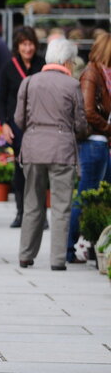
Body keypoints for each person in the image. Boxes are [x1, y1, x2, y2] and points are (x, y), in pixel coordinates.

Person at [14, 38, 88, 271]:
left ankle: (26, 255)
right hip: (61, 150)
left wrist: (34, 130)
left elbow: (18, 118)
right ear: (67, 61)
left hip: (33, 148)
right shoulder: (71, 85)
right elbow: (80, 122)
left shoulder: (29, 82)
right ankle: (57, 259)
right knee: (60, 206)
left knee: (32, 204)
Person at [69, 33, 111, 261]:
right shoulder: (92, 74)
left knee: (98, 197)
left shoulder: (103, 74)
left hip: (101, 142)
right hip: (93, 142)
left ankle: (93, 245)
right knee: (86, 195)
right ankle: (68, 246)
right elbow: (87, 111)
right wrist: (107, 127)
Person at [0, 27, 44, 228]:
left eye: (30, 43)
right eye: (24, 44)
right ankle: (21, 213)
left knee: (40, 170)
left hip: (39, 125)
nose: (28, 48)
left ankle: (40, 215)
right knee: (19, 169)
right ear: (18, 46)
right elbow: (0, 100)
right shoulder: (9, 67)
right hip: (16, 126)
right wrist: (4, 124)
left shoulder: (42, 65)